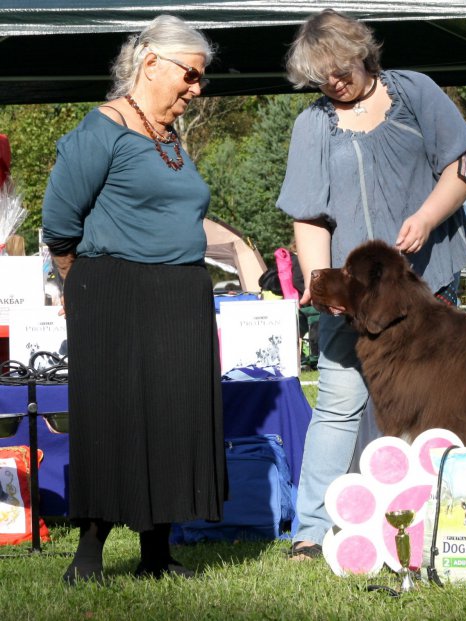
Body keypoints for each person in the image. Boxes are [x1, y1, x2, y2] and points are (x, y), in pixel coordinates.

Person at [276, 9, 466, 560]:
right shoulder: (313, 125)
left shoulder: (415, 92)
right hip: (352, 302)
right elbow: (307, 215)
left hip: (426, 287)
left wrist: (427, 217)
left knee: (440, 404)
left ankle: (449, 521)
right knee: (339, 405)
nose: (333, 83)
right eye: (320, 78)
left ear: (363, 53)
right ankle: (312, 532)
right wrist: (323, 286)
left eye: (339, 69)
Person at [41, 15, 225, 582]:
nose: (196, 90)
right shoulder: (101, 130)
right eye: (191, 76)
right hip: (114, 292)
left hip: (179, 294)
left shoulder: (168, 136)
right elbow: (59, 224)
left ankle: (156, 555)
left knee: (174, 415)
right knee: (114, 418)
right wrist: (80, 283)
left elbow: (175, 213)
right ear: (151, 65)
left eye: (200, 79)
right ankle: (88, 559)